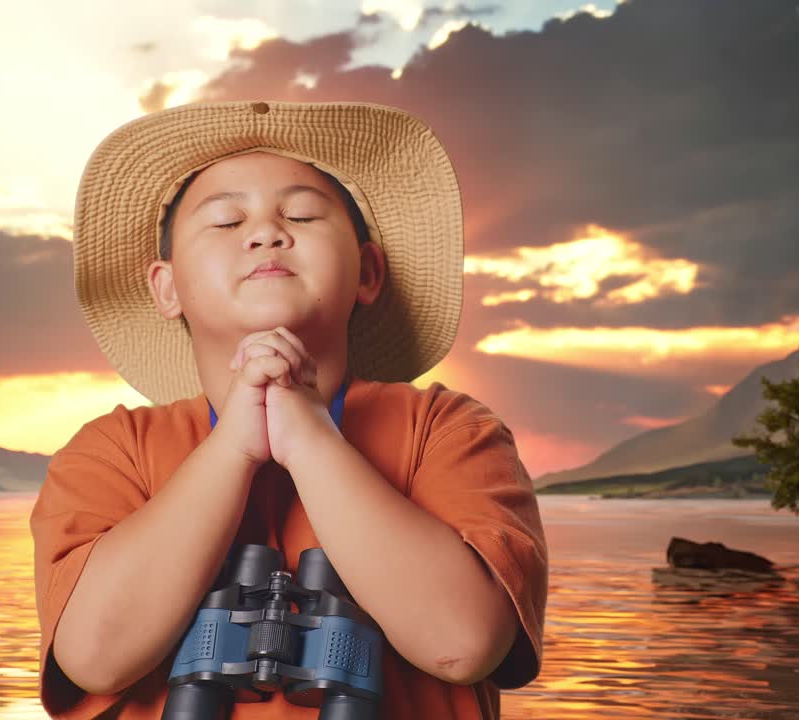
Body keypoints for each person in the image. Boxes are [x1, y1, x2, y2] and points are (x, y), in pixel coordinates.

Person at [30, 99, 548, 719]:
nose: (266, 232)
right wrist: (233, 450)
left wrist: (309, 438)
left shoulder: (450, 432)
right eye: (225, 222)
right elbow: (94, 656)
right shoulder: (113, 452)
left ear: (369, 271)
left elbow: (462, 645)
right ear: (166, 287)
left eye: (301, 214)